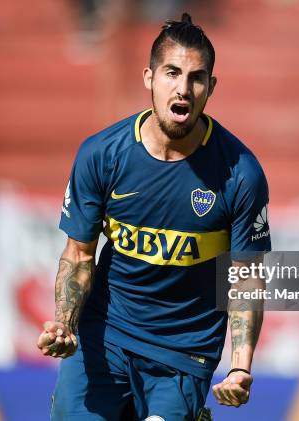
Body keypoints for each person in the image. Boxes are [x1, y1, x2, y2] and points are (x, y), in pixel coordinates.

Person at [37, 13, 271, 420]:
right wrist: (64, 324)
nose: (183, 89)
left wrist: (240, 366)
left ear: (210, 87)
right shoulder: (102, 156)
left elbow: (246, 278)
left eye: (197, 77)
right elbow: (78, 255)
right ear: (149, 77)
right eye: (172, 73)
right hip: (105, 335)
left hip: (183, 352)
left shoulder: (241, 173)